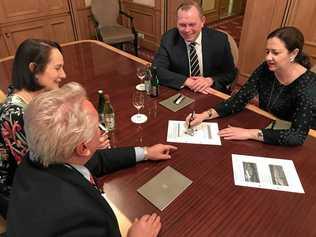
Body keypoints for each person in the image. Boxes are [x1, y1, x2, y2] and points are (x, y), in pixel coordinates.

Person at [6, 82, 177, 236]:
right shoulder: (77, 220)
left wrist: (146, 152)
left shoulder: (38, 158)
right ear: (83, 148)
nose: (102, 130)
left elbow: (95, 160)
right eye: (98, 127)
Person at [186, 26, 316, 146]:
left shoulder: (308, 85)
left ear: (293, 53)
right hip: (268, 124)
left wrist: (249, 133)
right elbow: (239, 99)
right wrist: (204, 115)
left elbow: (297, 136)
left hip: (304, 139)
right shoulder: (266, 68)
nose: (268, 58)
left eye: (275, 53)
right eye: (267, 52)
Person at [0, 38, 66, 217]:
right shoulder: (14, 113)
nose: (64, 74)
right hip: (19, 192)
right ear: (33, 69)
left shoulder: (37, 95)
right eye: (57, 68)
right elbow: (37, 166)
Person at [153, 0, 237, 94]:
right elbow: (157, 69)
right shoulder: (169, 38)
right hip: (182, 90)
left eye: (192, 24)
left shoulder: (219, 40)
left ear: (202, 21)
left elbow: (230, 73)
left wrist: (210, 80)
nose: (187, 30)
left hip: (210, 91)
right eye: (182, 25)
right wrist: (188, 81)